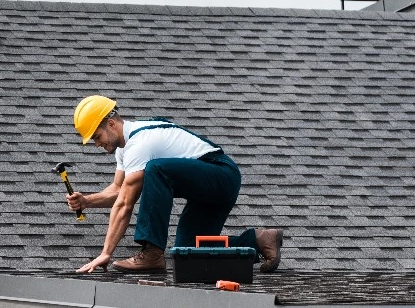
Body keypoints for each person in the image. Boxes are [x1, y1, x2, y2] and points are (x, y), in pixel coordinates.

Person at [65, 95, 283, 274]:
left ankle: (151, 252)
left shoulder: (140, 144)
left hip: (221, 174)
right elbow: (117, 191)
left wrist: (106, 252)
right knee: (186, 252)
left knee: (155, 169)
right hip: (207, 186)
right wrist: (87, 201)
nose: (96, 144)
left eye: (97, 136)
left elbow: (124, 203)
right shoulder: (125, 148)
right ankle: (258, 240)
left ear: (111, 124)